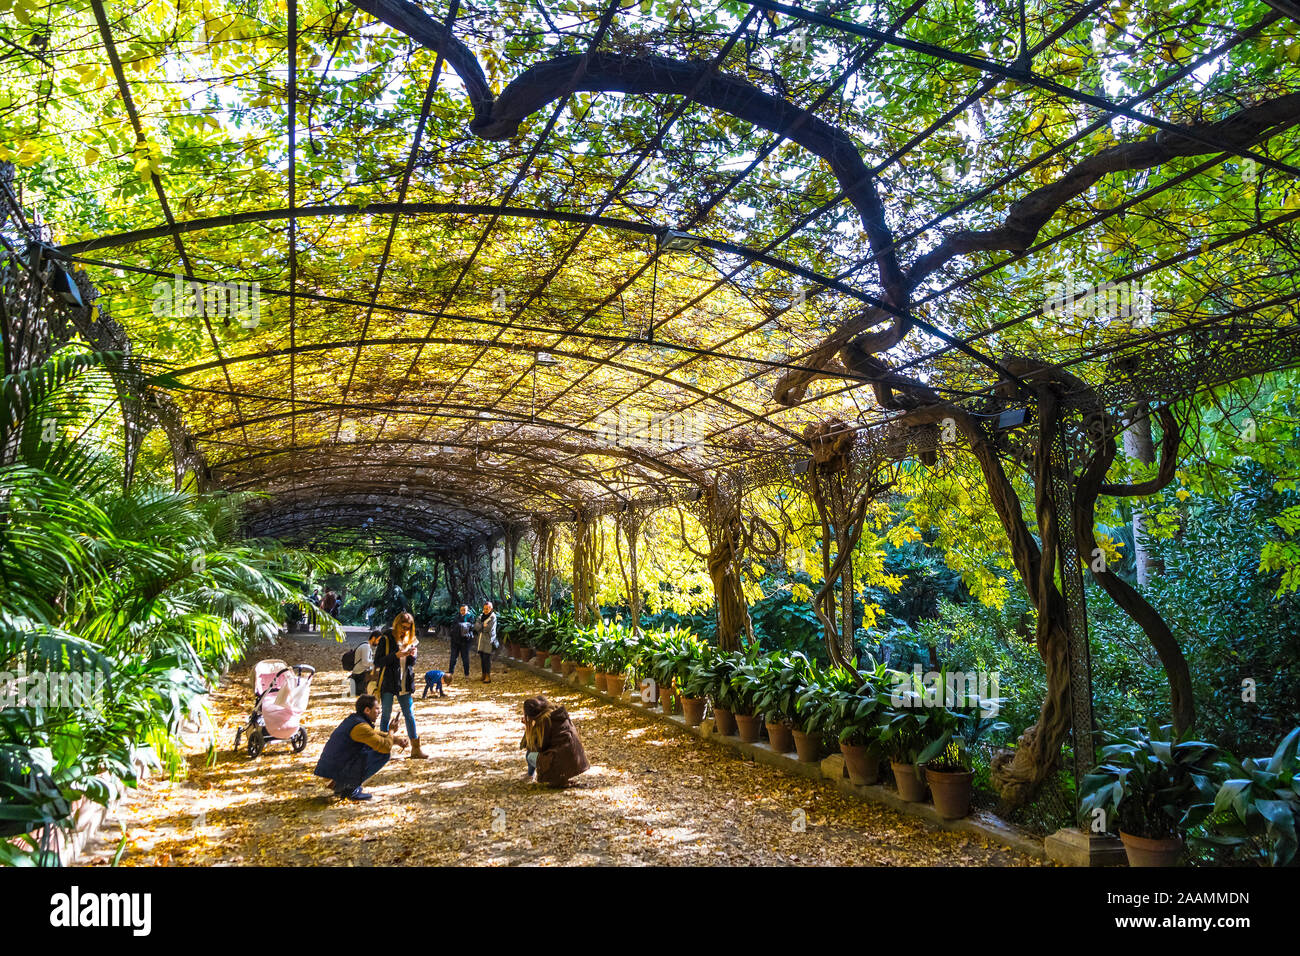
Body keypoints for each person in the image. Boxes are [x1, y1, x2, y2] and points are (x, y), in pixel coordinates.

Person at [314, 694, 407, 800]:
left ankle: (345, 787)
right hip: (334, 779)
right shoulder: (361, 727)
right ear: (367, 710)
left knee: (372, 746)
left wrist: (396, 740)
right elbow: (385, 747)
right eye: (376, 709)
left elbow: (375, 734)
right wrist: (391, 730)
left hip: (331, 775)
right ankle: (349, 789)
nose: (379, 712)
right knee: (383, 754)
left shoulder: (355, 720)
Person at [373, 613, 427, 759]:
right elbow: (378, 662)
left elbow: (411, 664)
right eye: (403, 627)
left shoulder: (411, 638)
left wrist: (412, 656)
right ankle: (384, 750)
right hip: (389, 682)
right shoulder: (386, 638)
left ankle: (415, 749)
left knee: (409, 715)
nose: (405, 631)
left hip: (405, 682)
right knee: (386, 715)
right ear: (397, 625)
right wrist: (395, 655)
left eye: (408, 628)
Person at [520, 696, 590, 786]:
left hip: (561, 760)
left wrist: (530, 728)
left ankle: (535, 775)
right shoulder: (556, 713)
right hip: (576, 759)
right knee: (532, 752)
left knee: (530, 755)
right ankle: (533, 775)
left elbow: (540, 747)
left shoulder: (545, 721)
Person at [475, 601, 498, 683]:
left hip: (489, 640)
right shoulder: (480, 616)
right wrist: (482, 625)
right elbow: (476, 627)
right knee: (482, 658)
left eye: (487, 608)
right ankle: (483, 674)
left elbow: (489, 628)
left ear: (491, 608)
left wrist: (480, 626)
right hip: (481, 641)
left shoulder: (493, 617)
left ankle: (488, 676)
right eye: (484, 608)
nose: (485, 610)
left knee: (487, 658)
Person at [350, 631, 378, 696]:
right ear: (373, 638)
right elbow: (365, 662)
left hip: (358, 674)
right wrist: (377, 663)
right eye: (378, 640)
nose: (378, 642)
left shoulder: (365, 644)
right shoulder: (366, 647)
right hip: (360, 675)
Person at [449, 604, 473, 678]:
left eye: (464, 610)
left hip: (465, 641)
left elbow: (472, 627)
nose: (462, 611)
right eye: (461, 610)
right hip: (455, 640)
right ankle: (450, 673)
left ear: (467, 610)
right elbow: (453, 626)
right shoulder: (456, 616)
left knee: (465, 658)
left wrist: (464, 625)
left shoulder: (470, 617)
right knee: (453, 657)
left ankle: (466, 674)